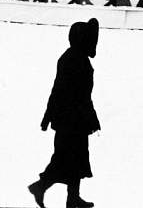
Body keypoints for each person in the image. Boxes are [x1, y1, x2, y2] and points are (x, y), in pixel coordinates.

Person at [28, 18, 101, 208]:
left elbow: (81, 95)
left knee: (76, 159)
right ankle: (40, 186)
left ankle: (73, 198)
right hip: (70, 120)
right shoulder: (72, 60)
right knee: (64, 159)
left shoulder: (75, 57)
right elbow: (59, 89)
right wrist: (47, 116)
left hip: (74, 119)